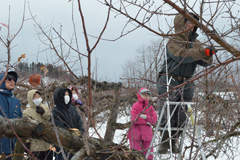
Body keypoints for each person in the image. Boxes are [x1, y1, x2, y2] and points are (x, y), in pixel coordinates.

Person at [157, 13, 215, 153]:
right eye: (188, 22)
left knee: (181, 116)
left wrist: (208, 54)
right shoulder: (174, 41)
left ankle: (174, 143)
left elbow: (204, 62)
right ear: (180, 23)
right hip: (169, 81)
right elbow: (181, 56)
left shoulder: (195, 43)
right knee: (167, 114)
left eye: (193, 23)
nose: (190, 26)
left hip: (187, 84)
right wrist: (201, 51)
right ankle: (164, 143)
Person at [51, 87, 84, 160]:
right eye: (65, 95)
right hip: (62, 146)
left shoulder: (72, 109)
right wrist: (73, 134)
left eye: (68, 95)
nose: (67, 97)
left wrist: (80, 133)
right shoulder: (55, 111)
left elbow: (79, 122)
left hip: (75, 144)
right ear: (59, 96)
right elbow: (59, 129)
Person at [127, 88, 158, 160]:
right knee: (136, 155)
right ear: (140, 95)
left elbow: (154, 120)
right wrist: (147, 122)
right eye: (144, 94)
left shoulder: (150, 107)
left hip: (147, 135)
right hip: (135, 134)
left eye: (148, 94)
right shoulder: (135, 105)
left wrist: (144, 116)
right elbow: (134, 119)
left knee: (149, 156)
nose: (146, 96)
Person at [22, 90, 53, 160]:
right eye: (35, 97)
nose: (37, 98)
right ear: (30, 98)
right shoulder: (27, 112)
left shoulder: (46, 108)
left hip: (48, 144)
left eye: (39, 96)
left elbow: (50, 121)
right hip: (36, 146)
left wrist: (43, 113)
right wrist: (27, 142)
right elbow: (26, 129)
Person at [0, 71, 22, 159]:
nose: (12, 81)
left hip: (13, 145)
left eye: (14, 80)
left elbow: (20, 120)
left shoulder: (16, 101)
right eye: (9, 79)